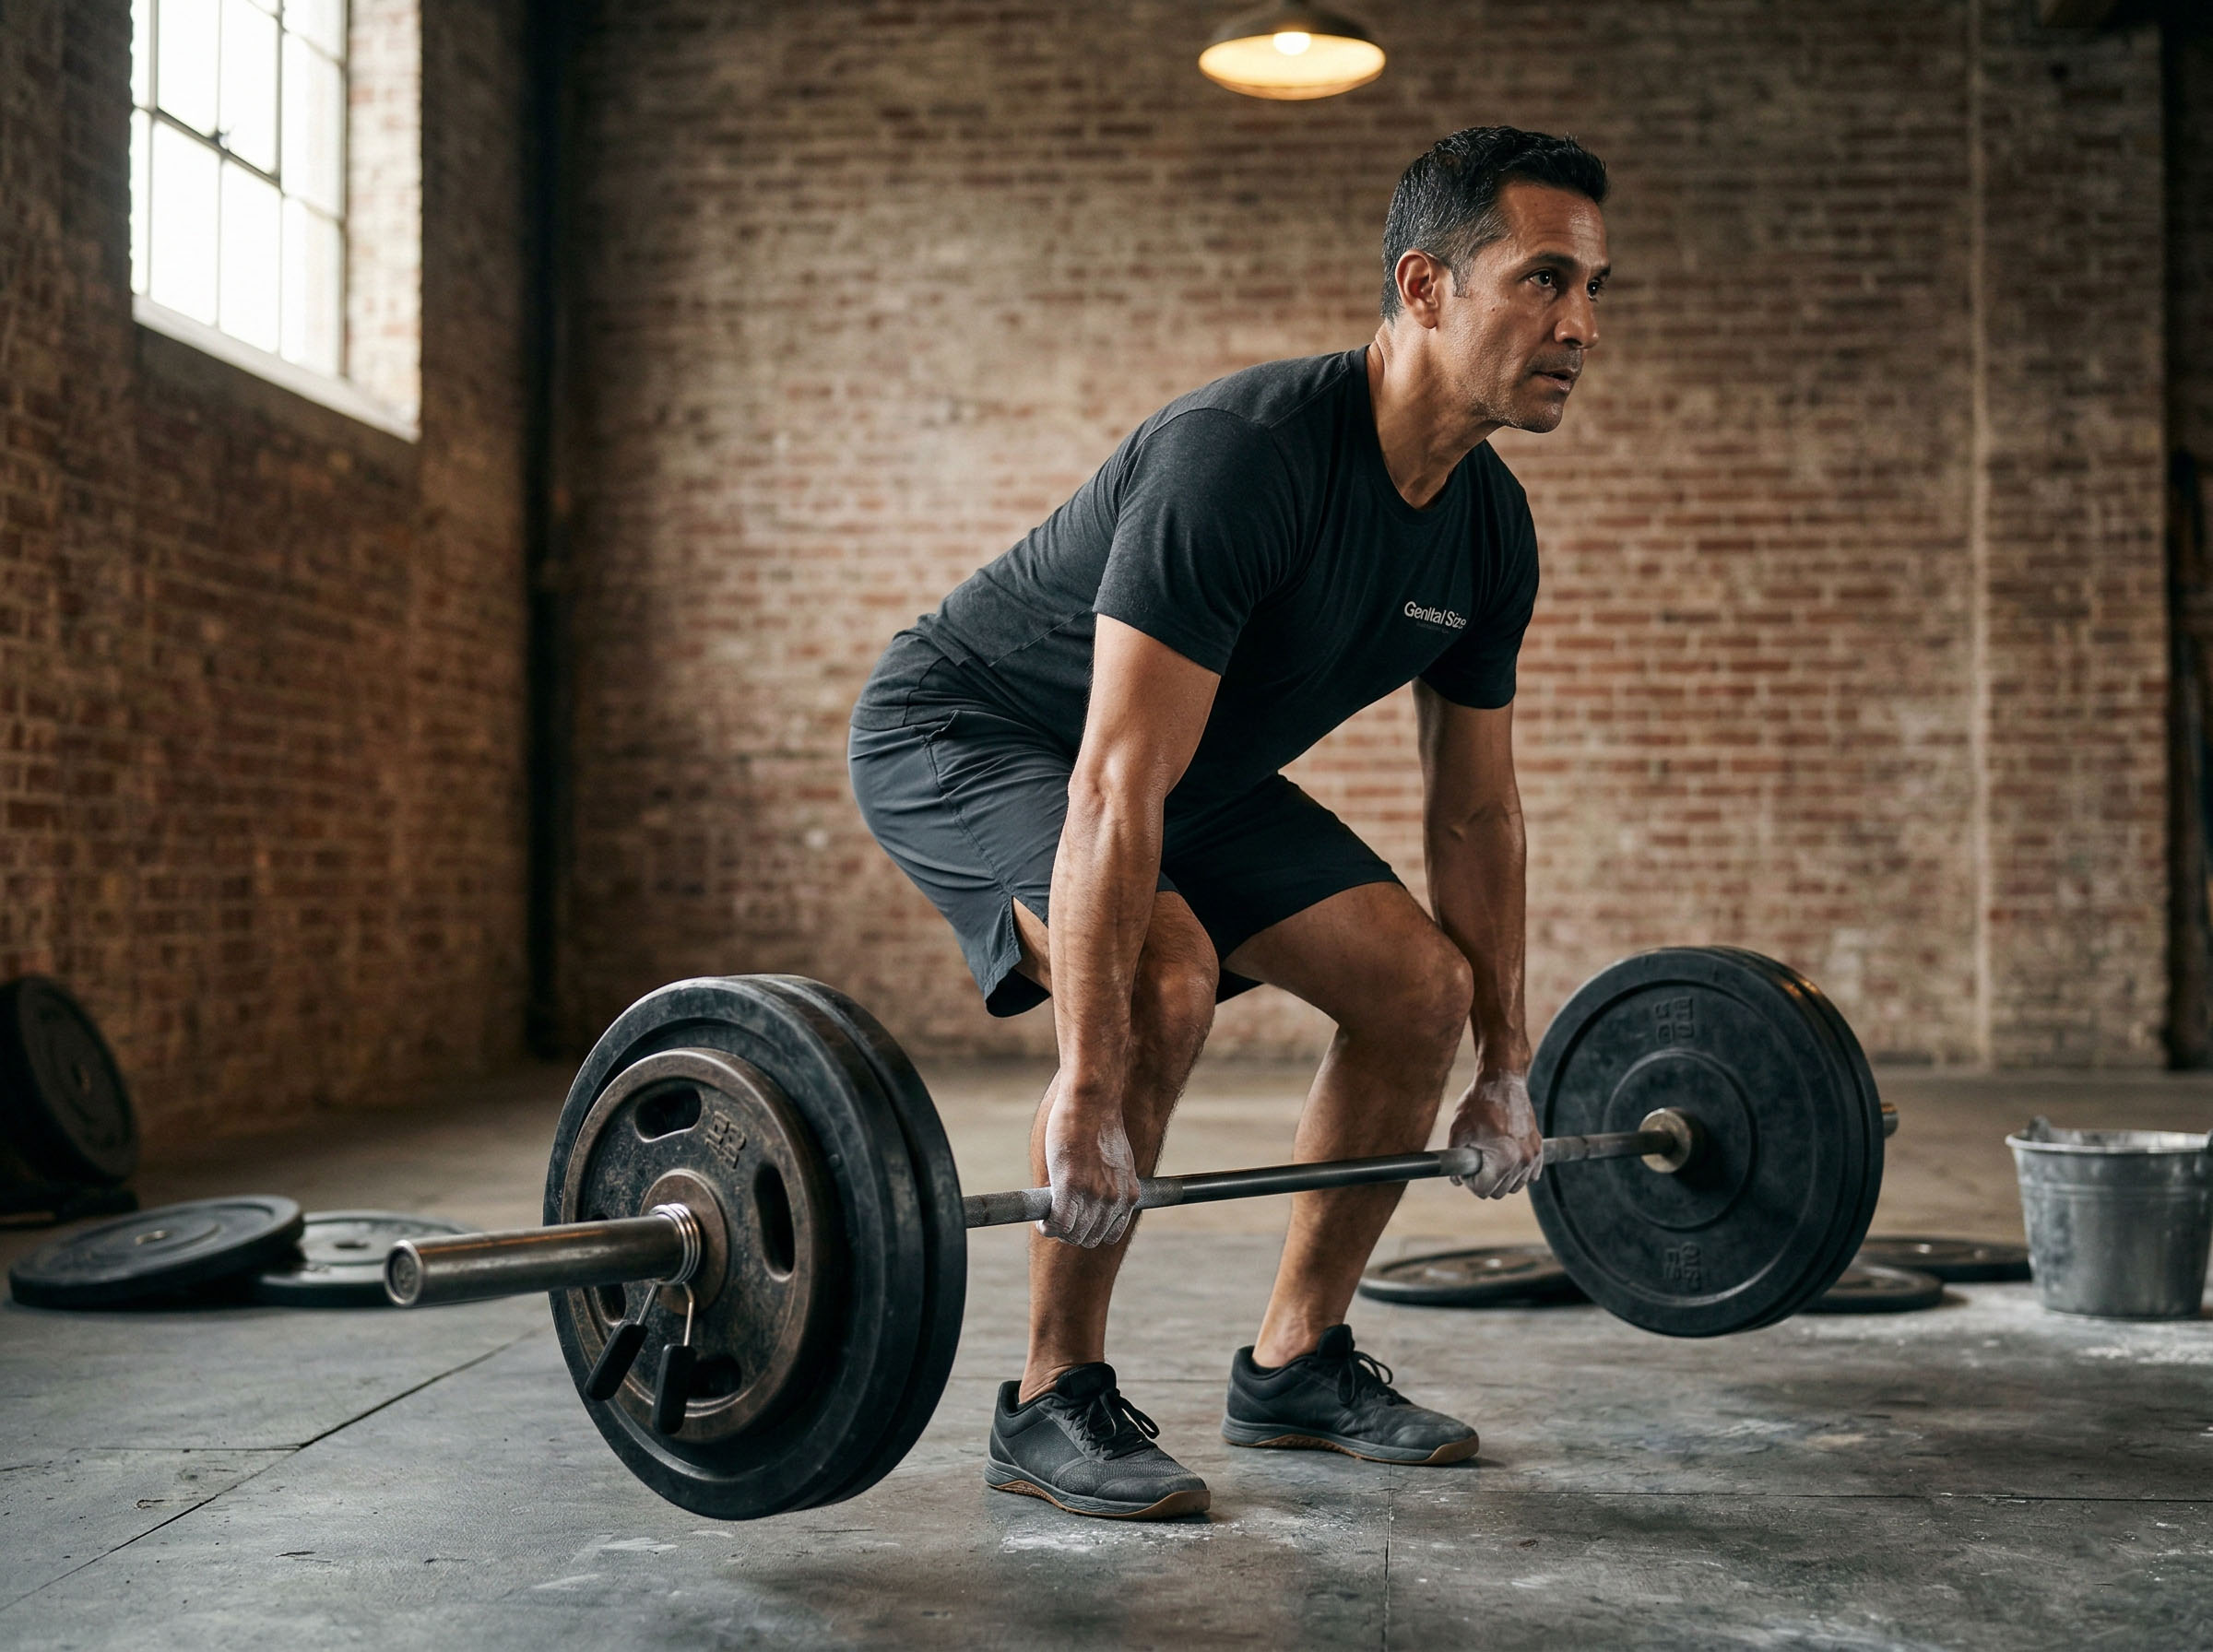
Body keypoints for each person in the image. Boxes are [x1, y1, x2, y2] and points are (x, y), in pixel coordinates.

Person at [848, 126, 1610, 1520]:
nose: (1579, 325)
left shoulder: (1490, 529)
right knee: (1160, 970)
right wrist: (1086, 1084)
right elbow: (1108, 788)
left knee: (1416, 987)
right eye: (1545, 279)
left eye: (1597, 291)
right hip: (975, 730)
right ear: (1426, 285)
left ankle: (1296, 1364)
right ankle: (1050, 1397)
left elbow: (1479, 813)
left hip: (1174, 768)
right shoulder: (1243, 459)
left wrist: (1509, 1057)